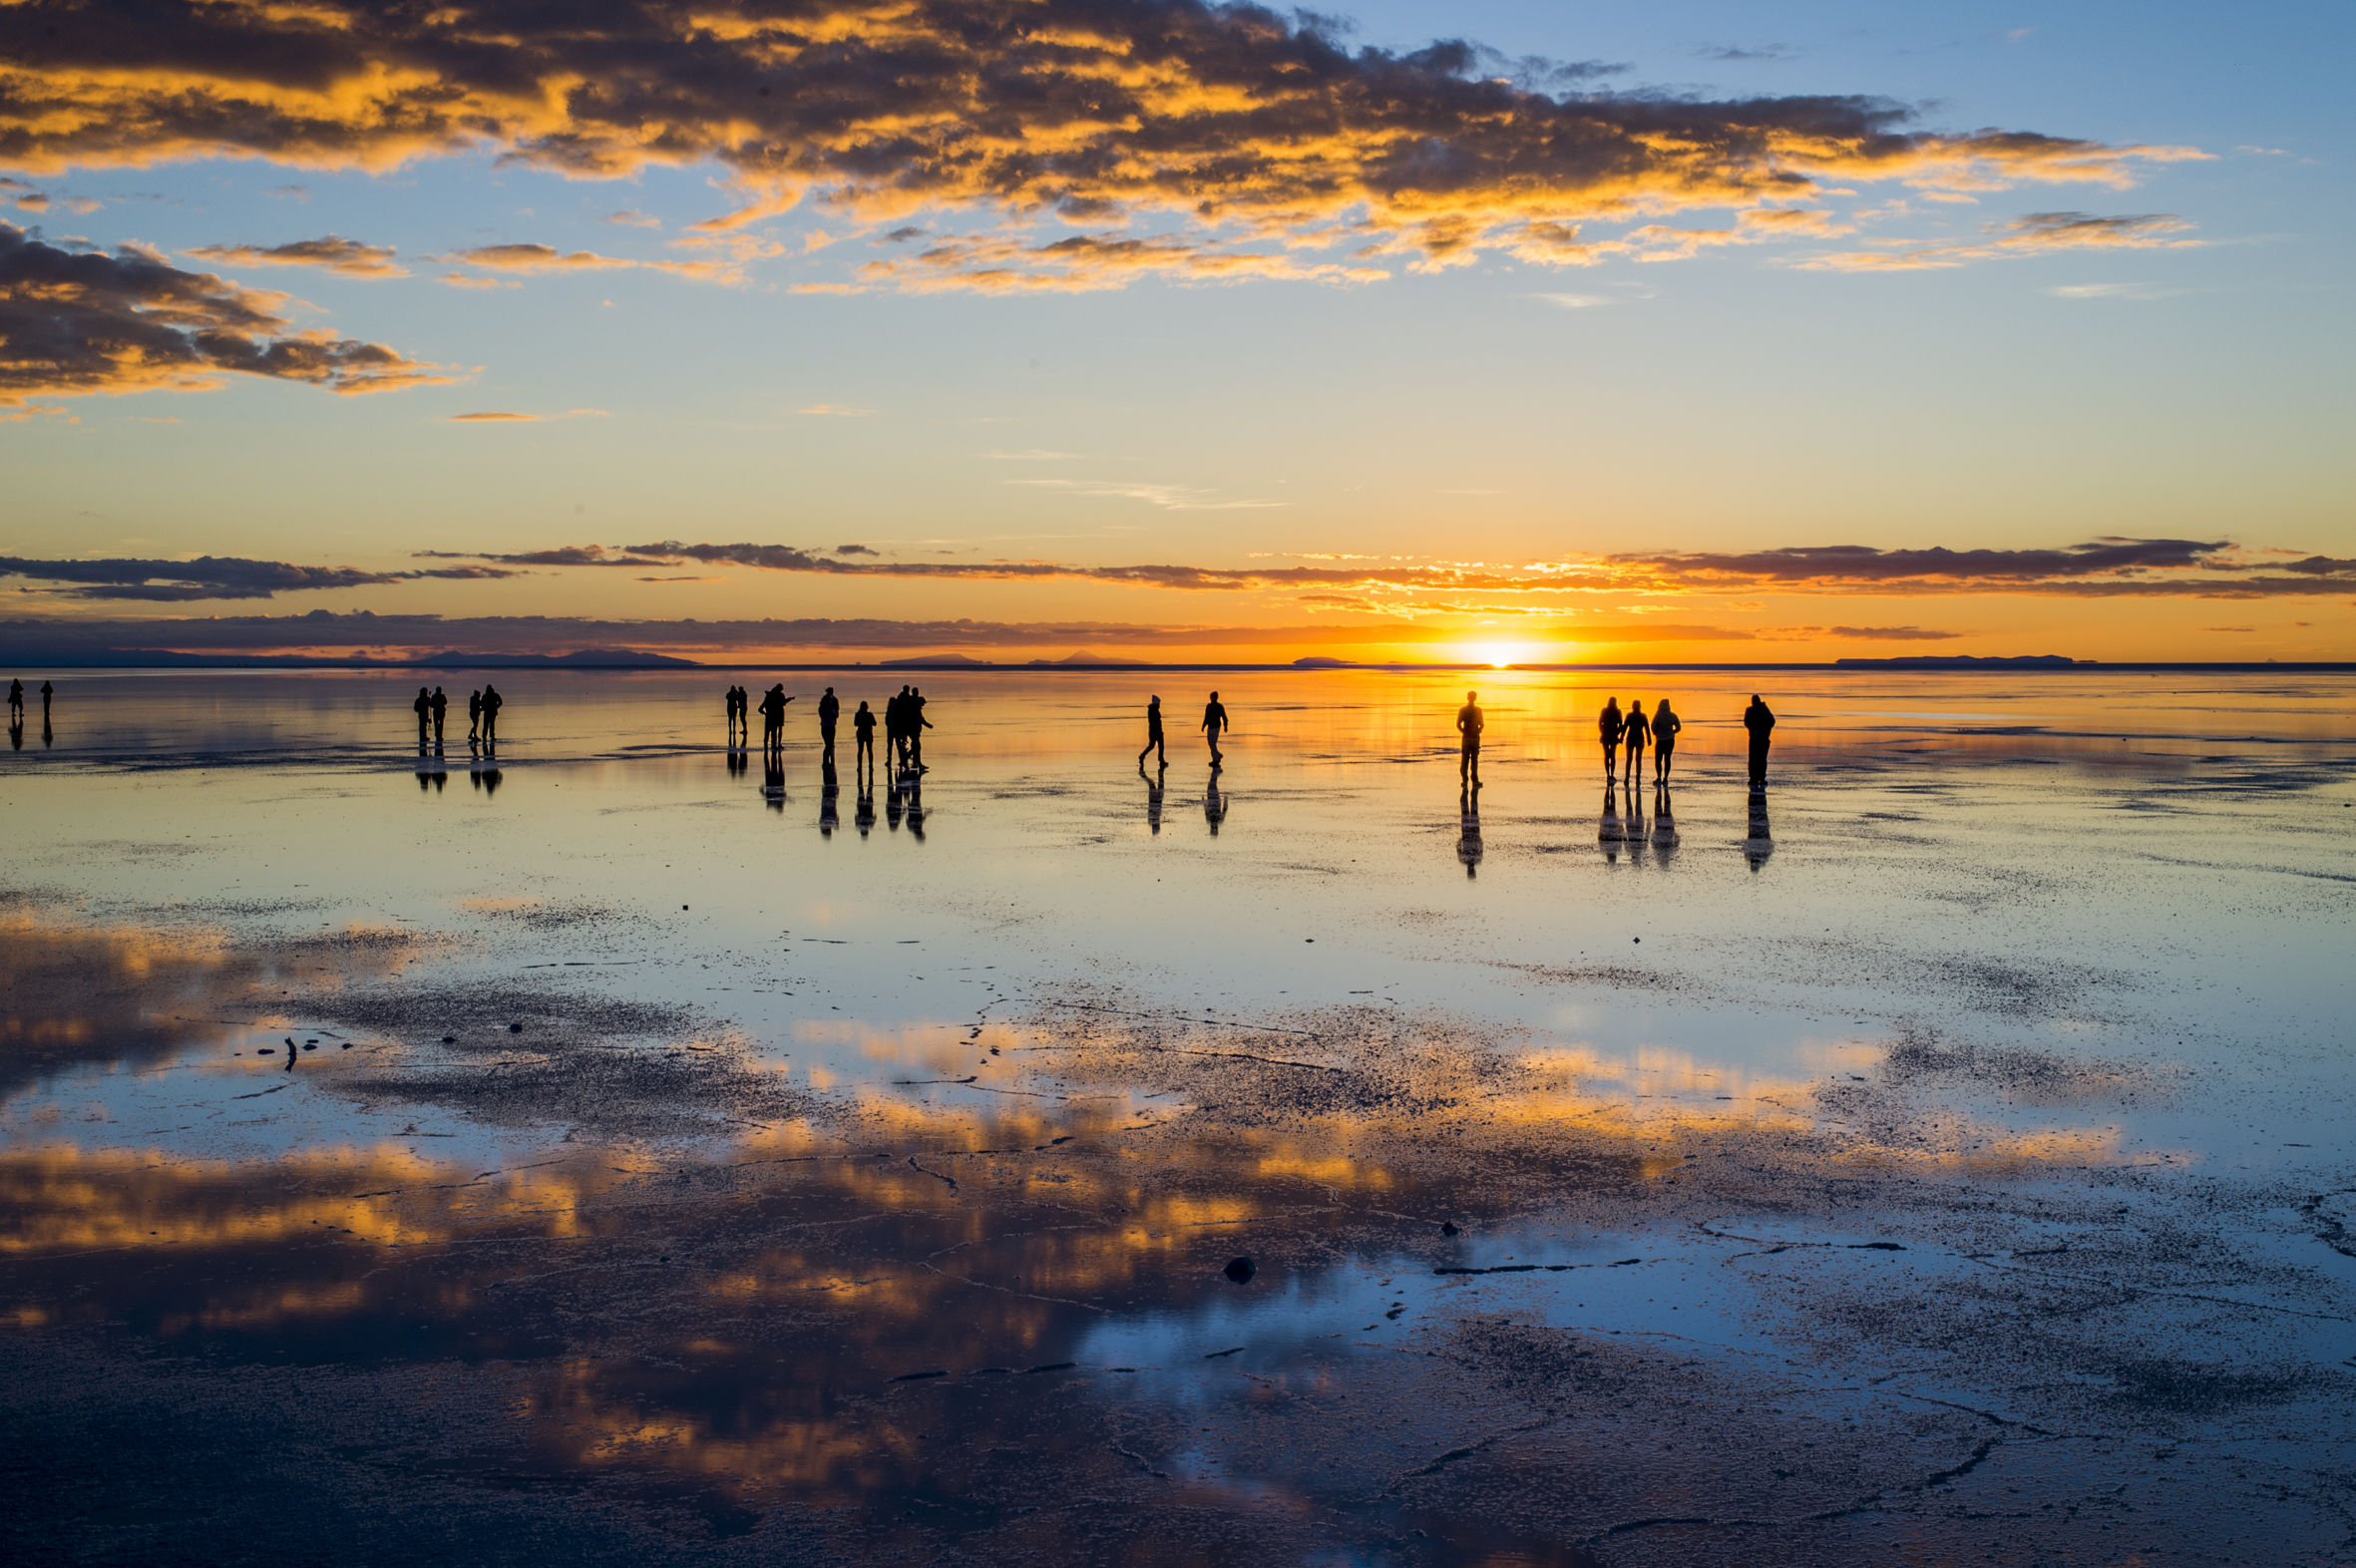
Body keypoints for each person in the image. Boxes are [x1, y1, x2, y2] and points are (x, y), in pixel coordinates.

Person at [1744, 694, 1775, 785]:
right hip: (1761, 737)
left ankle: (1754, 778)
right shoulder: (1763, 709)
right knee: (1761, 758)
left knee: (1754, 758)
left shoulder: (1750, 710)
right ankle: (1760, 778)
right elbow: (1772, 721)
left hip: (1756, 737)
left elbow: (1746, 722)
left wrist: (1756, 729)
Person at [1456, 690, 1484, 788]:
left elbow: (1458, 724)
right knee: (1471, 760)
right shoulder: (1472, 710)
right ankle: (1470, 779)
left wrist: (1465, 731)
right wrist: (1476, 731)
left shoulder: (1466, 710)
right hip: (1471, 738)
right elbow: (1482, 725)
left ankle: (1468, 780)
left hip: (1470, 738)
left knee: (1468, 760)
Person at [1652, 697, 1680, 782]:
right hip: (1670, 740)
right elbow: (1678, 727)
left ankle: (1659, 777)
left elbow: (1653, 727)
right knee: (1667, 759)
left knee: (1658, 759)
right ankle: (1666, 778)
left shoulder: (1658, 715)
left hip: (1660, 740)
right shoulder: (1673, 715)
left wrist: (1656, 733)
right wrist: (1672, 732)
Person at [1622, 698, 1650, 779]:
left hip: (1630, 738)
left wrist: (1621, 737)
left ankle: (1627, 776)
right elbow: (1647, 728)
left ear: (1632, 706)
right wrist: (1649, 739)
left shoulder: (1629, 715)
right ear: (1640, 706)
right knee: (1638, 758)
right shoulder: (1643, 716)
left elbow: (1625, 727)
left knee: (1629, 758)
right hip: (1639, 739)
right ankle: (1638, 775)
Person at [907, 686, 933, 770]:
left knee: (916, 746)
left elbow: (920, 718)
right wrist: (928, 725)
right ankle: (911, 759)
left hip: (914, 729)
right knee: (916, 746)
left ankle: (915, 762)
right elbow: (919, 718)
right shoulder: (914, 705)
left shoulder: (913, 703)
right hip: (913, 729)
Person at [1138, 695, 1167, 769]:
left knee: (1152, 745)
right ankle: (1160, 760)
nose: (1159, 705)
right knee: (1159, 746)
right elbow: (1155, 722)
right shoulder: (1154, 710)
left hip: (1153, 730)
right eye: (1159, 703)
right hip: (1156, 731)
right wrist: (1159, 731)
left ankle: (1143, 756)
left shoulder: (1152, 709)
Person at [1202, 690, 1228, 766]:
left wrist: (1225, 726)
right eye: (1211, 697)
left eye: (1213, 697)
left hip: (1216, 727)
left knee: (1213, 743)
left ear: (1216, 698)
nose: (1211, 698)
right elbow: (1206, 717)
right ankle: (1218, 755)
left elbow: (1224, 717)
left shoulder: (1219, 706)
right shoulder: (1209, 706)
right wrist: (1203, 726)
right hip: (1210, 727)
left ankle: (1215, 760)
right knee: (1210, 743)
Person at [1597, 697, 1623, 775]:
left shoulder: (1605, 711)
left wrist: (1603, 731)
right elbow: (1620, 724)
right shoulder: (1617, 711)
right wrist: (1617, 733)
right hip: (1611, 736)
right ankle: (1611, 773)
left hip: (1607, 736)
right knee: (1612, 755)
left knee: (1607, 755)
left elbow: (1600, 723)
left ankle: (1609, 773)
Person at [853, 698, 877, 773]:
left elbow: (855, 724)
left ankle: (859, 765)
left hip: (861, 733)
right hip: (868, 733)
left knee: (860, 750)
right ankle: (870, 765)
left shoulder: (857, 714)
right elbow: (875, 723)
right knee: (869, 750)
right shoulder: (869, 715)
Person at [818, 686, 840, 756]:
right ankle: (831, 761)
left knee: (827, 744)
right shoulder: (831, 706)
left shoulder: (821, 708)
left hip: (824, 726)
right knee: (830, 744)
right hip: (830, 725)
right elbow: (836, 714)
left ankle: (825, 761)